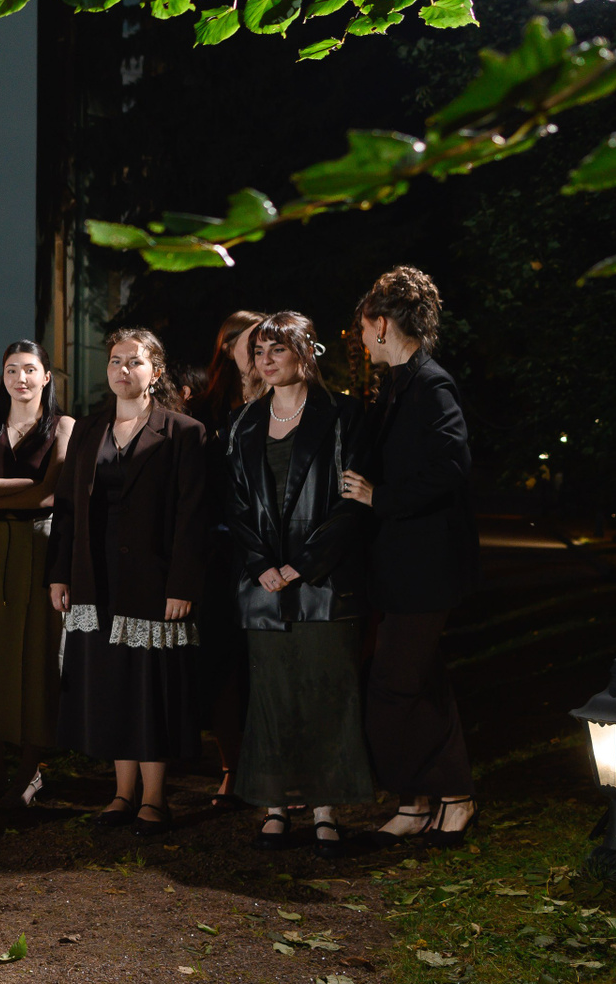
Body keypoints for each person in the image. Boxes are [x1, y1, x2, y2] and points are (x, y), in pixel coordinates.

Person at [47, 329, 208, 838]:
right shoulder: (89, 430)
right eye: (115, 361)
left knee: (149, 687)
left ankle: (155, 798)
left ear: (155, 372)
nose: (122, 370)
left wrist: (182, 583)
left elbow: (193, 516)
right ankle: (121, 793)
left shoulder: (184, 432)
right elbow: (67, 508)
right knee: (112, 684)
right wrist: (60, 573)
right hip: (96, 578)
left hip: (154, 579)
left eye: (134, 362)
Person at [227, 312, 372, 858]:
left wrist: (304, 565)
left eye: (277, 350)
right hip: (263, 586)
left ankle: (325, 810)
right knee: (272, 697)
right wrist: (260, 563)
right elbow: (234, 504)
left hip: (324, 584)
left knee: (327, 695)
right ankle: (275, 807)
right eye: (259, 351)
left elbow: (352, 502)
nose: (265, 361)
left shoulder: (343, 415)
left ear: (305, 352)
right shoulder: (243, 422)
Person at [343, 266, 480, 844]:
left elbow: (452, 465)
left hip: (427, 568)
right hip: (401, 567)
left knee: (394, 686)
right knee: (420, 682)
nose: (360, 340)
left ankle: (450, 794)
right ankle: (420, 802)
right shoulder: (397, 385)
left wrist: (380, 497)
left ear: (381, 324)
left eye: (362, 329)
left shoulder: (430, 384)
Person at [0, 340, 76, 806]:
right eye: (11, 370)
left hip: (38, 543)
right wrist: (23, 486)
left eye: (29, 369)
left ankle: (30, 771)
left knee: (36, 651)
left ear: (46, 376)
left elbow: (50, 495)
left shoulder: (64, 426)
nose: (20, 378)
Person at [190, 309, 268, 808]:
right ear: (227, 347)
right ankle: (232, 767)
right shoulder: (206, 407)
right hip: (220, 550)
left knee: (266, 660)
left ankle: (274, 764)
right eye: (249, 340)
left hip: (268, 548)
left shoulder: (281, 397)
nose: (258, 350)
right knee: (222, 661)